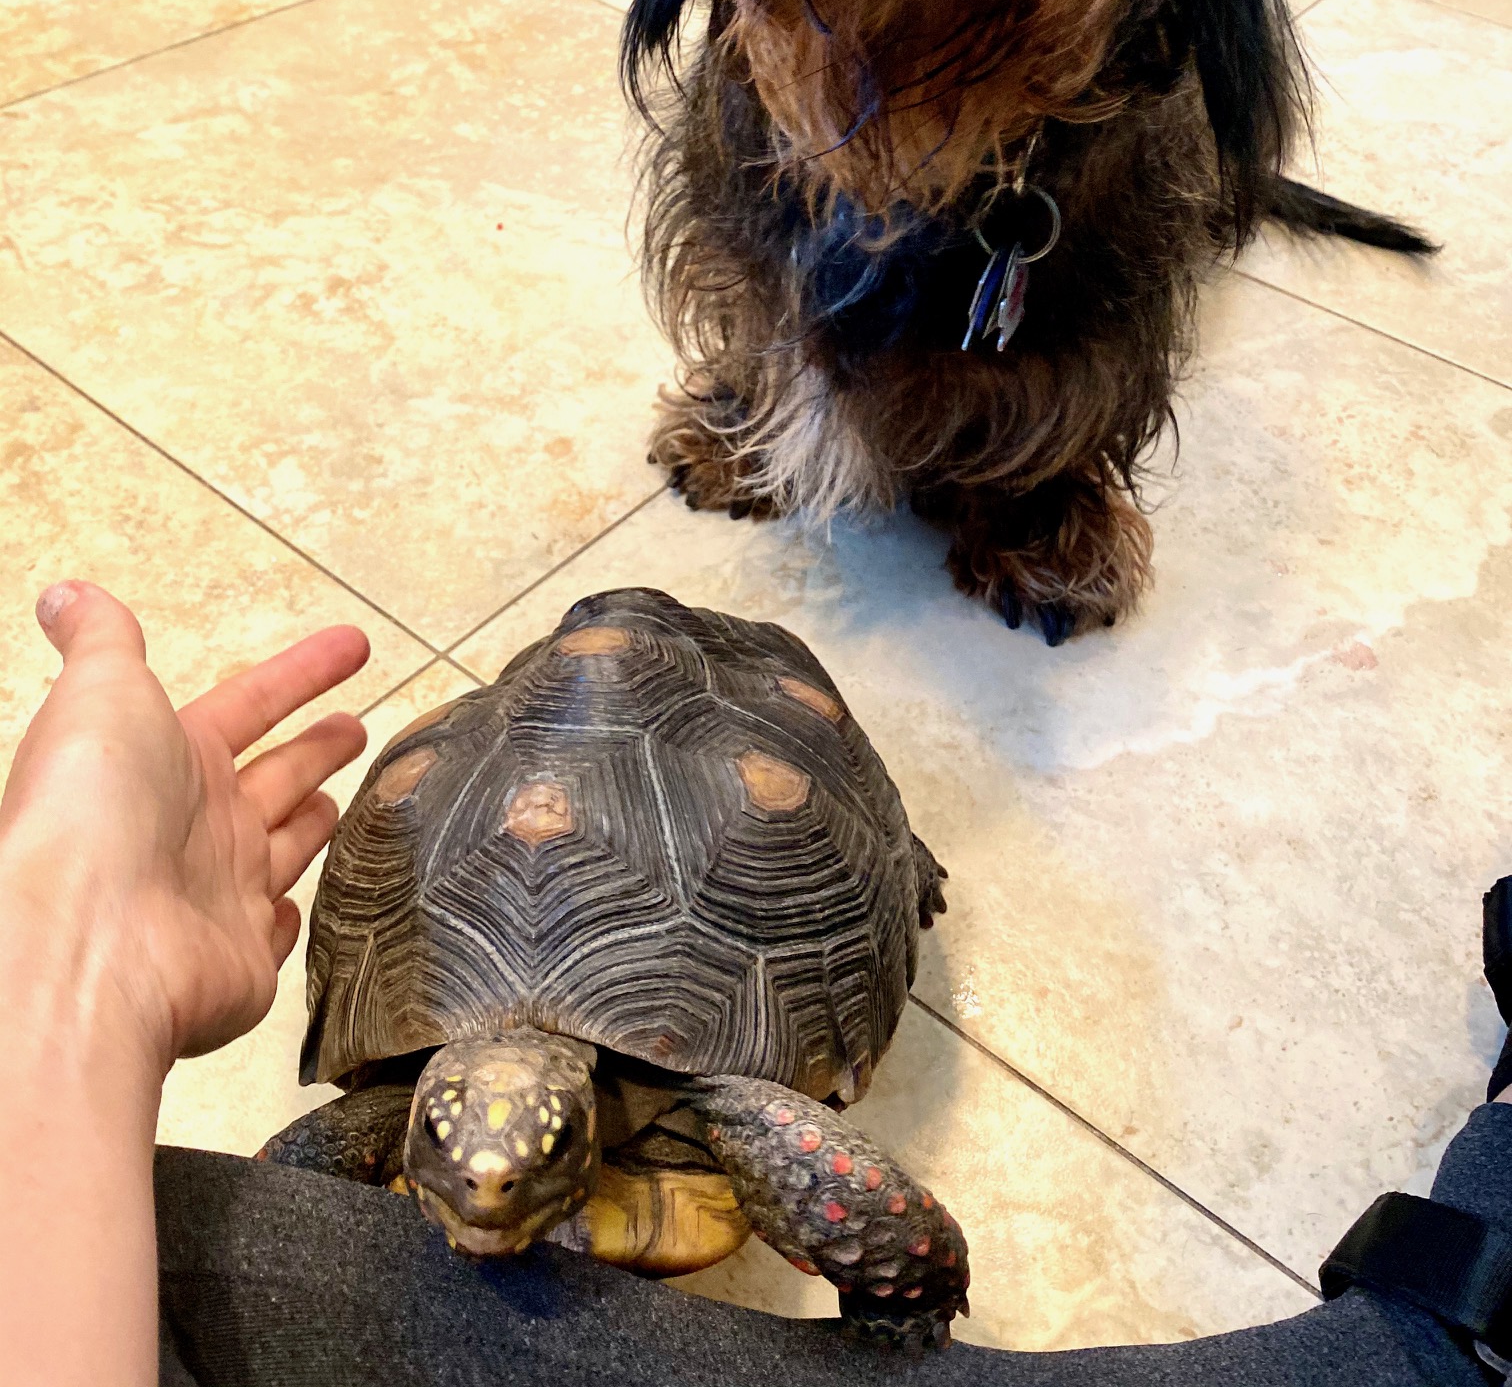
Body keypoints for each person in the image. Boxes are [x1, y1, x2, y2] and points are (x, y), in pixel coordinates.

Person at [2, 581, 1509, 1387]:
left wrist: (67, 960)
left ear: (576, 1126)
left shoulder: (677, 1113)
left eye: (500, 1169)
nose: (477, 1208)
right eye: (450, 1159)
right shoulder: (414, 1130)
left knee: (229, 1238)